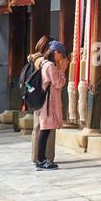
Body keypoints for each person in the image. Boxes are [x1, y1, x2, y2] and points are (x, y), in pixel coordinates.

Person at [35, 41, 68, 170]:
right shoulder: (50, 66)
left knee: (45, 130)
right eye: (62, 55)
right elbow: (58, 83)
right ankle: (41, 160)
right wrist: (62, 71)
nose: (62, 58)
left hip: (47, 102)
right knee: (45, 131)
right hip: (49, 103)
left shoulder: (46, 65)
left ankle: (41, 159)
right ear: (56, 53)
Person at [27, 36, 55, 166]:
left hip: (35, 96)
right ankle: (43, 157)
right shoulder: (43, 62)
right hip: (43, 97)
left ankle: (36, 157)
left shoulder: (33, 58)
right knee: (44, 128)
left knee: (37, 127)